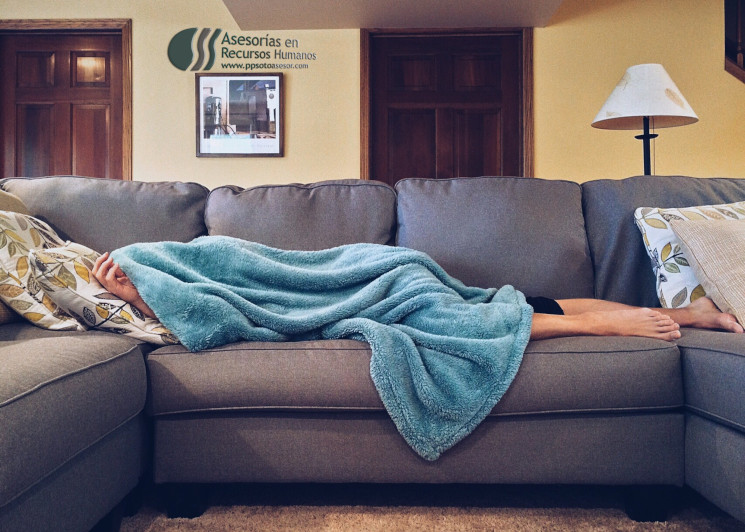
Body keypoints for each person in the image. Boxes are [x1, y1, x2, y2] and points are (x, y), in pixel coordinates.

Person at [92, 251, 744, 342]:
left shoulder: (189, 258)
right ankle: (689, 313)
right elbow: (216, 314)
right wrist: (142, 296)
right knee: (517, 305)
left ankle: (603, 326)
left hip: (386, 276)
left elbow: (216, 309)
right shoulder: (166, 275)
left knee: (458, 322)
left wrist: (143, 292)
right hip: (394, 274)